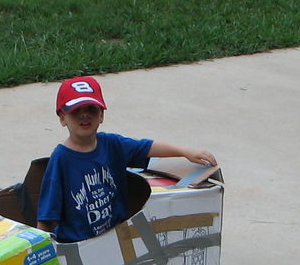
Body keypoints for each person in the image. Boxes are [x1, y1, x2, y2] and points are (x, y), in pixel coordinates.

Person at [37, 75, 217, 243]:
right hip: (78, 246)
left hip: (115, 239)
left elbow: (146, 147)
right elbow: (46, 217)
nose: (84, 115)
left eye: (91, 108)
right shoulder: (61, 159)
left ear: (101, 115)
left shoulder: (112, 144)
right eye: (76, 110)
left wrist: (184, 151)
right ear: (62, 117)